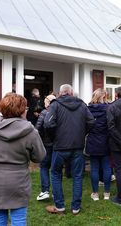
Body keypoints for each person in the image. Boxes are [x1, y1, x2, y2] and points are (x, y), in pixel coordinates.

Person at [0, 93, 46, 225]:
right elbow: (39, 156)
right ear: (22, 110)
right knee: (19, 220)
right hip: (18, 181)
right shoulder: (30, 131)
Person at [44, 84, 95, 215]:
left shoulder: (55, 104)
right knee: (77, 176)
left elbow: (48, 123)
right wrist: (81, 134)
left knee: (55, 174)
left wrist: (54, 137)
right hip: (77, 146)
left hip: (60, 147)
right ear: (71, 93)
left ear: (61, 93)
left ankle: (60, 206)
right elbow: (91, 122)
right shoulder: (82, 105)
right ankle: (75, 208)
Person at [85, 89, 111, 201]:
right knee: (106, 167)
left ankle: (95, 193)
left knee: (94, 168)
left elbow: (85, 125)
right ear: (104, 97)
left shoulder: (88, 109)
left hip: (93, 140)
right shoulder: (108, 109)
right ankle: (106, 193)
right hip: (105, 141)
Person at [35, 94, 56, 201]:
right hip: (57, 145)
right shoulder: (59, 112)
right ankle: (56, 192)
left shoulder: (44, 112)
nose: (44, 103)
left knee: (44, 167)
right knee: (55, 169)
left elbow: (37, 129)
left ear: (48, 102)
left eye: (45, 101)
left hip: (47, 145)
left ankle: (45, 191)